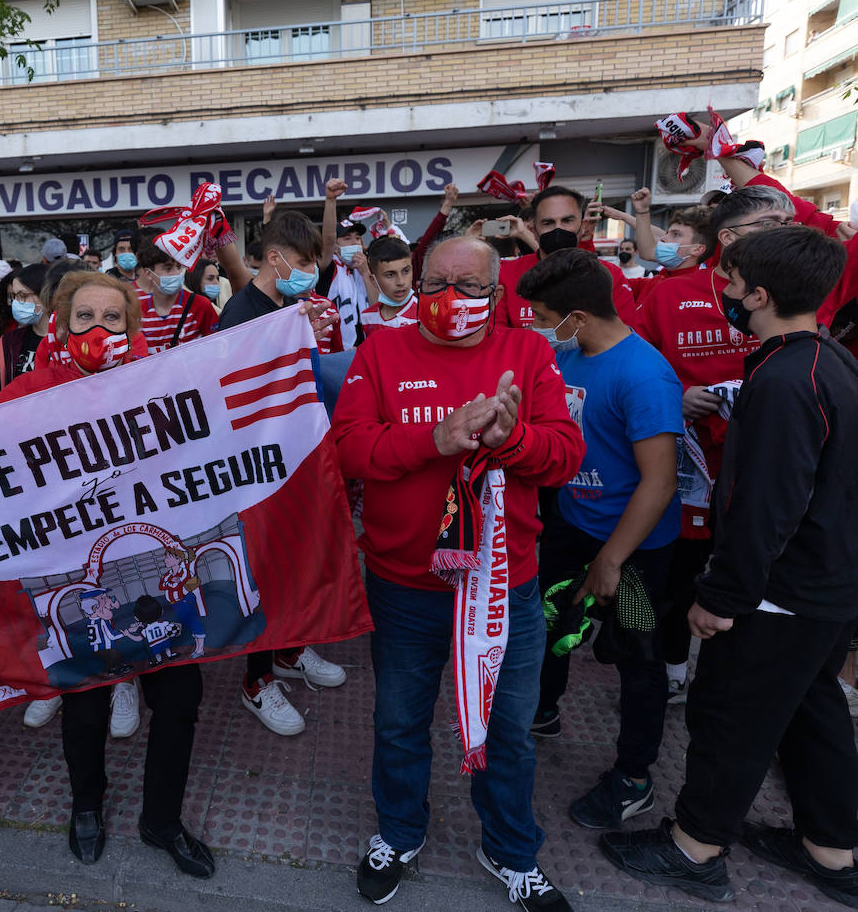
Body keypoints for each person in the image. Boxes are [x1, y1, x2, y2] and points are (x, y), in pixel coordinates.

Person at [601, 227, 858, 908]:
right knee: (812, 710)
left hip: (781, 591)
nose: (725, 293)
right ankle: (832, 852)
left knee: (731, 715)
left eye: (732, 283)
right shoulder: (828, 360)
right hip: (828, 583)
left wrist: (721, 596)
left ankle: (696, 848)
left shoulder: (784, 378)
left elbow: (765, 507)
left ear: (762, 295)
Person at [333, 235, 583, 910]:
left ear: (497, 296)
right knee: (399, 721)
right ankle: (400, 832)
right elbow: (350, 449)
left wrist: (514, 439)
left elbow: (564, 455)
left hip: (505, 587)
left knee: (508, 730)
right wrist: (435, 440)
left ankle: (509, 849)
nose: (450, 299)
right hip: (405, 585)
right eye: (436, 282)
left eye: (470, 286)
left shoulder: (528, 353)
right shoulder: (382, 350)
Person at [0, 271, 214, 880]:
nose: (99, 329)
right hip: (74, 578)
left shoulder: (160, 384)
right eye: (86, 317)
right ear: (60, 324)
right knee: (84, 703)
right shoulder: (30, 391)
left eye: (114, 318)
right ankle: (87, 805)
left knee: (181, 699)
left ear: (132, 329)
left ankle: (161, 818)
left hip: (156, 569)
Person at [519, 250, 683, 830]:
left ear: (579, 316)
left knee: (639, 659)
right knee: (551, 625)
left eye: (543, 314)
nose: (537, 324)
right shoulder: (568, 355)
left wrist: (612, 560)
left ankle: (634, 780)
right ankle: (540, 712)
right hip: (571, 525)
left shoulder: (644, 375)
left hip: (633, 549)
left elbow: (660, 481)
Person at [635, 185, 783, 702]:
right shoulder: (669, 293)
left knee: (749, 580)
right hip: (683, 469)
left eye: (786, 224)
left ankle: (735, 685)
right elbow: (636, 367)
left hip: (759, 471)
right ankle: (670, 668)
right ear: (727, 237)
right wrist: (676, 398)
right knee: (676, 583)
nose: (782, 233)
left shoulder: (783, 295)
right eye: (769, 225)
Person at [218, 211, 348, 736]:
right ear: (274, 258)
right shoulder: (242, 313)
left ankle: (290, 650)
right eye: (302, 263)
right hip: (257, 468)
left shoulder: (288, 307)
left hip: (295, 456)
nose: (308, 273)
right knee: (265, 571)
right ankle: (256, 679)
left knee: (296, 561)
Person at [494, 186, 638, 330]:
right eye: (548, 223)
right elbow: (497, 337)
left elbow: (624, 337)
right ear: (533, 229)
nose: (558, 229)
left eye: (567, 220)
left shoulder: (610, 275)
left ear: (582, 226)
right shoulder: (507, 274)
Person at [135, 240, 219, 354]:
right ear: (148, 273)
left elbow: (217, 348)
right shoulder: (138, 313)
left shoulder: (200, 305)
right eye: (168, 268)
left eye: (179, 266)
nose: (176, 273)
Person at [319, 179, 369, 348]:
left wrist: (365, 273)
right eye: (347, 239)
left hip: (362, 344)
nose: (354, 243)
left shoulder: (363, 268)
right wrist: (331, 200)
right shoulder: (329, 267)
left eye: (357, 238)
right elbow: (327, 239)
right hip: (334, 347)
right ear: (335, 246)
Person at [0, 262, 49, 392]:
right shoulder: (8, 342)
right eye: (14, 296)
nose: (16, 302)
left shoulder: (67, 340)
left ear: (45, 294)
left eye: (22, 295)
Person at [359, 237, 417, 337]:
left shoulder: (425, 315)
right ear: (374, 281)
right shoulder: (367, 317)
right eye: (390, 275)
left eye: (406, 271)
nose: (401, 282)